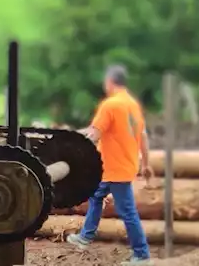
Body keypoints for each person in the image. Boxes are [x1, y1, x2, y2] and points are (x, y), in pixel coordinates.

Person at [66, 65, 154, 265]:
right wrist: (146, 164)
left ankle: (142, 255)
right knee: (96, 195)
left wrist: (73, 151)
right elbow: (143, 136)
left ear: (109, 81)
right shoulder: (132, 104)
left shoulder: (110, 105)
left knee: (127, 211)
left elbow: (94, 135)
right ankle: (86, 236)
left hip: (115, 168)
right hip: (118, 166)